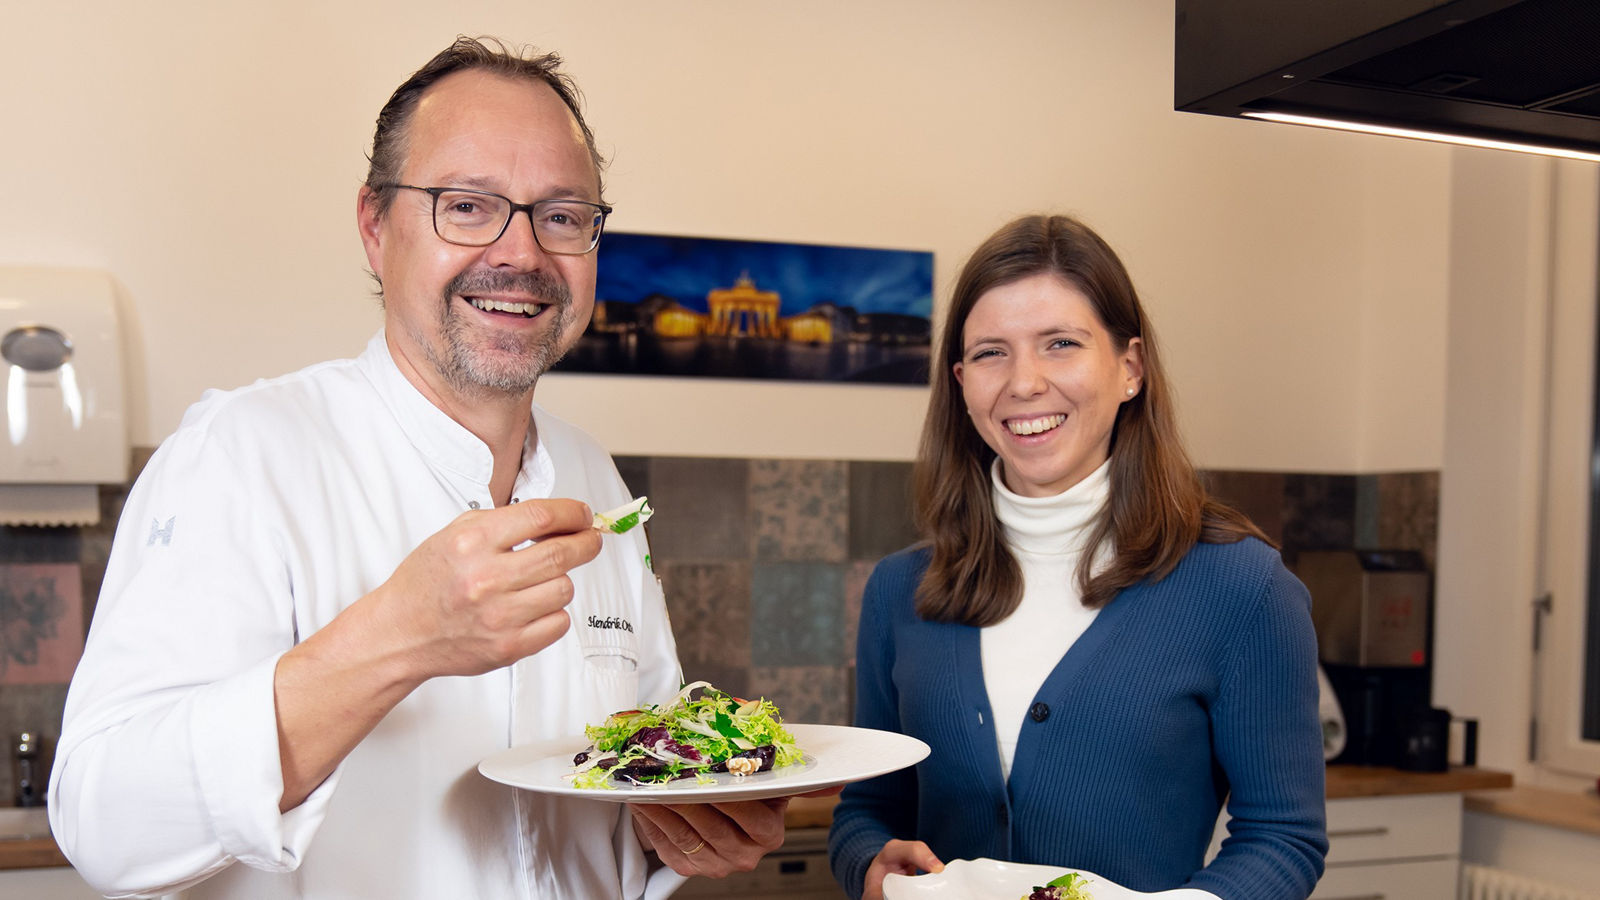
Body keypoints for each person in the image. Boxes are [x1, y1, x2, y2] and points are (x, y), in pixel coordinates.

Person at [49, 37, 792, 899]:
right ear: (375, 226)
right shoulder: (241, 455)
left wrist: (685, 832)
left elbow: (625, 791)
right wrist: (398, 637)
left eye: (561, 216)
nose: (521, 255)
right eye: (467, 206)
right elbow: (103, 825)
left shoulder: (594, 479)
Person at [828, 215, 1328, 900]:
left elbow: (1283, 838)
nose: (1025, 383)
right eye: (991, 353)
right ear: (961, 382)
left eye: (1060, 344)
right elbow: (869, 810)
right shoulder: (900, 590)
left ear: (1130, 368)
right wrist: (868, 864)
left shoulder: (1242, 588)